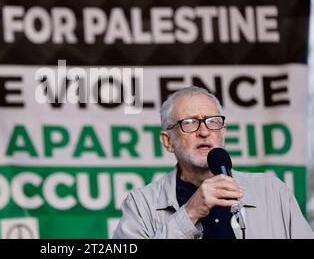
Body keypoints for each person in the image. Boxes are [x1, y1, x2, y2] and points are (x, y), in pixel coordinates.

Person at [113, 86, 314, 239]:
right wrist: (189, 213)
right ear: (168, 141)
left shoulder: (273, 191)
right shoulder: (140, 204)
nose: (204, 131)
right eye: (189, 122)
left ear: (223, 131)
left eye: (213, 121)